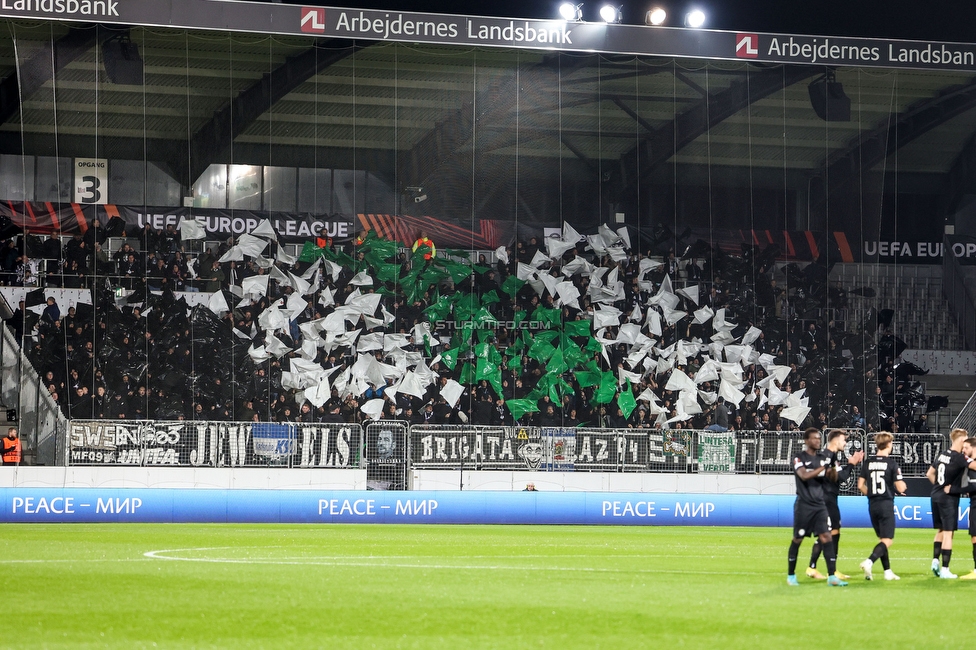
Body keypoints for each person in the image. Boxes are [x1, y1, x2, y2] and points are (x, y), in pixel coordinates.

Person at [787, 428, 845, 586]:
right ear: (806, 441)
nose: (818, 441)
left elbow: (832, 477)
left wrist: (832, 468)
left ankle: (832, 576)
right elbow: (804, 476)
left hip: (819, 505)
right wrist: (823, 467)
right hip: (804, 505)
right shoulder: (799, 458)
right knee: (798, 539)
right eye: (814, 438)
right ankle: (791, 575)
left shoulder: (823, 458)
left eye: (819, 438)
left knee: (826, 537)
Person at [806, 429, 864, 580]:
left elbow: (839, 476)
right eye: (844, 440)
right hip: (826, 500)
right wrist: (852, 463)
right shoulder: (826, 456)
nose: (845, 443)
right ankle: (826, 570)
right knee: (830, 533)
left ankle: (816, 568)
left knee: (832, 532)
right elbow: (841, 477)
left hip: (828, 499)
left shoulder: (830, 457)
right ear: (836, 440)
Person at [926, 427, 976, 579]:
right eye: (965, 440)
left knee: (940, 530)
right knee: (949, 533)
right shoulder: (959, 457)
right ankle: (945, 569)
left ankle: (935, 561)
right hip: (948, 499)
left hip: (935, 495)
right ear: (961, 440)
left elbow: (929, 473)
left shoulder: (943, 454)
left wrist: (939, 487)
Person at [857, 432, 907, 580]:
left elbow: (860, 485)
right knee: (887, 540)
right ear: (889, 444)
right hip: (886, 503)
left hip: (872, 504)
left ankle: (887, 571)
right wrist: (902, 483)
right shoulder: (891, 463)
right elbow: (901, 488)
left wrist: (871, 494)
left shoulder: (868, 462)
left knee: (882, 539)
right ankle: (869, 561)